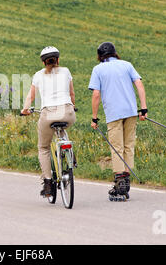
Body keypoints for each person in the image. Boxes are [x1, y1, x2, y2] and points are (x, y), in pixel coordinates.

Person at [88, 42, 147, 201]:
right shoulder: (127, 65)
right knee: (129, 145)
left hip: (114, 113)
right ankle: (126, 178)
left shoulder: (98, 69)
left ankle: (120, 181)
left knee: (116, 147)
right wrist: (143, 108)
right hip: (131, 111)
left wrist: (94, 117)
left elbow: (96, 95)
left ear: (100, 56)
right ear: (115, 53)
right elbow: (139, 84)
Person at [21, 46, 76, 197]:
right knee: (63, 126)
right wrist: (73, 106)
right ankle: (69, 152)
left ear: (43, 62)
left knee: (44, 147)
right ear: (58, 59)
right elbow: (71, 93)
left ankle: (48, 183)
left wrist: (25, 110)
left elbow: (30, 97)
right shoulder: (66, 71)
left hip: (48, 114)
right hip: (68, 112)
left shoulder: (38, 75)